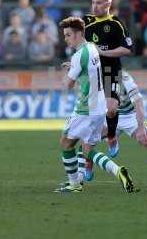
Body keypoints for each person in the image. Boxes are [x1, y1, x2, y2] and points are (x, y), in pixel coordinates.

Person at [54, 16, 135, 194]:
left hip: (85, 108)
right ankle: (118, 171)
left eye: (68, 35)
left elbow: (67, 85)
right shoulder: (92, 48)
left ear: (78, 34)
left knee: (66, 143)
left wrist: (64, 76)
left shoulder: (78, 56)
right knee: (87, 149)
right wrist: (73, 67)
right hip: (99, 108)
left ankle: (74, 184)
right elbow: (89, 70)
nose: (65, 39)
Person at [83, 71, 147, 189]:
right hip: (108, 116)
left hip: (129, 116)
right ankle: (87, 165)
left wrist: (141, 127)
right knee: (86, 139)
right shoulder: (95, 74)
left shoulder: (124, 77)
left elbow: (138, 102)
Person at [83, 0, 133, 159]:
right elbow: (76, 43)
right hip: (92, 74)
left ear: (108, 4)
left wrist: (102, 53)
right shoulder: (86, 22)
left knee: (111, 109)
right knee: (89, 119)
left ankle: (111, 136)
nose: (94, 6)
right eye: (93, 2)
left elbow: (127, 49)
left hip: (111, 71)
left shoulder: (116, 24)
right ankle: (88, 162)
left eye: (98, 3)